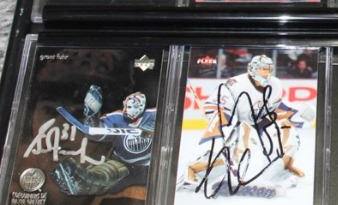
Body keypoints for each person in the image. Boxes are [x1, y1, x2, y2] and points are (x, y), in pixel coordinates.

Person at [181, 54, 312, 193]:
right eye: (262, 69)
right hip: (238, 122)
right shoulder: (235, 84)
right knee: (234, 151)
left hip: (261, 122)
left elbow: (274, 107)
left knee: (287, 134)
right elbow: (216, 106)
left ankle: (278, 174)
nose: (266, 72)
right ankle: (194, 171)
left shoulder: (276, 84)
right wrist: (220, 117)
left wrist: (295, 111)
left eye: (268, 69)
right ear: (252, 69)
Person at [51, 84, 155, 196]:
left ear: (140, 107)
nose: (125, 110)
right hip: (126, 164)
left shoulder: (154, 115)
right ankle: (78, 181)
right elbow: (96, 133)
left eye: (129, 107)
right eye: (125, 106)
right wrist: (92, 117)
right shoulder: (116, 118)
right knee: (105, 175)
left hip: (155, 164)